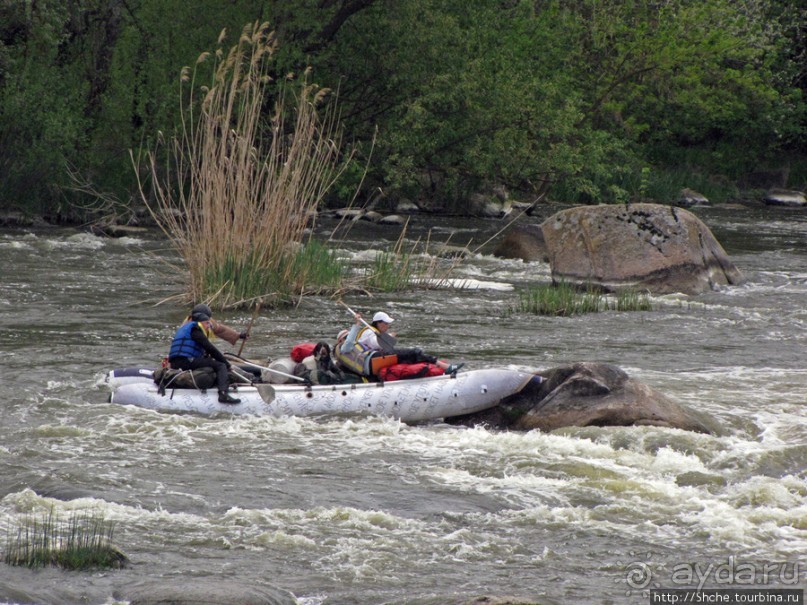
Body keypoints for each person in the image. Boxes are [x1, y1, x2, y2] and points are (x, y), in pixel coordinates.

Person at [335, 311, 464, 378]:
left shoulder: (366, 337)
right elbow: (376, 344)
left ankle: (437, 371)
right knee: (415, 352)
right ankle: (446, 367)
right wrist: (356, 324)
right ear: (378, 323)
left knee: (410, 357)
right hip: (373, 361)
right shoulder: (347, 345)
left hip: (375, 360)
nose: (387, 326)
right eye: (385, 323)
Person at [168, 304, 241, 404]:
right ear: (201, 322)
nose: (209, 326)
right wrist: (227, 364)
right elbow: (211, 349)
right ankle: (223, 394)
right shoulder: (195, 331)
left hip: (177, 362)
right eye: (207, 323)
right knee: (220, 365)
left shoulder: (186, 328)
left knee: (212, 363)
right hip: (185, 361)